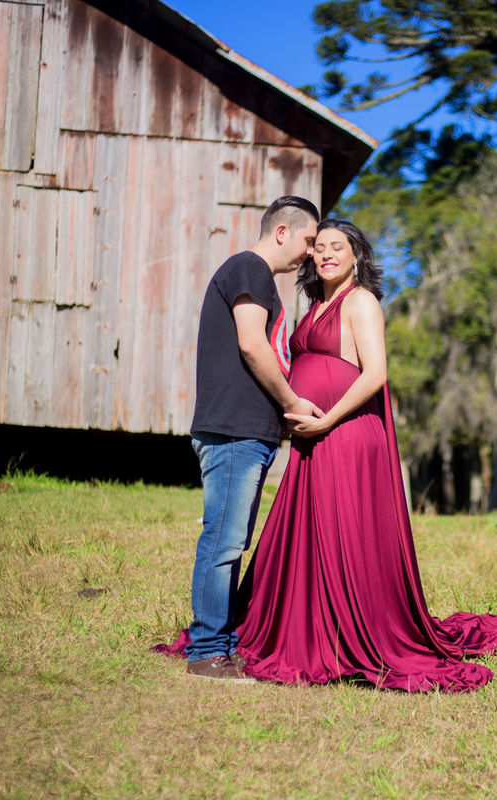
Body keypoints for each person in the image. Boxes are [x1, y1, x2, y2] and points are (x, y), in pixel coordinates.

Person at [160, 219, 497, 691]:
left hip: (346, 435)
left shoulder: (362, 302)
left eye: (338, 247)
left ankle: (344, 633)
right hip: (313, 442)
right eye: (320, 247)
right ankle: (303, 629)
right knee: (309, 538)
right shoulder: (315, 305)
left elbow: (375, 374)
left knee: (343, 535)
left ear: (356, 256)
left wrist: (326, 420)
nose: (327, 254)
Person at [182, 196, 322, 680]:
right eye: (308, 240)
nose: (311, 252)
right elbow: (251, 343)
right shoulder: (250, 268)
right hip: (233, 431)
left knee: (230, 539)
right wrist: (292, 401)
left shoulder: (259, 278)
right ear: (282, 231)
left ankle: (219, 642)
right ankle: (206, 652)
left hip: (247, 431)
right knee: (223, 541)